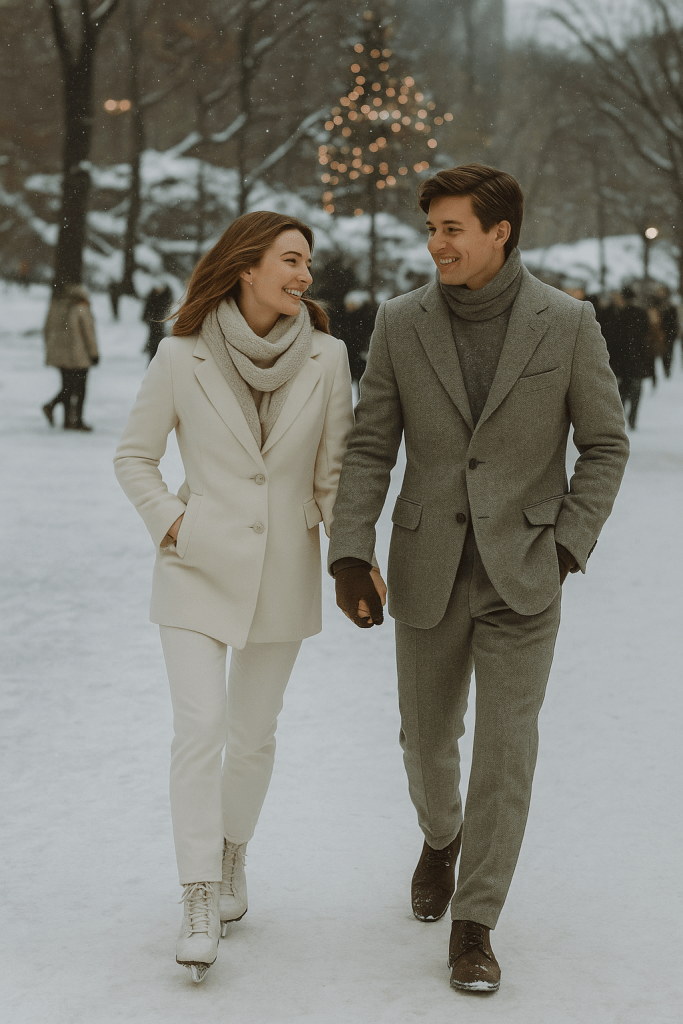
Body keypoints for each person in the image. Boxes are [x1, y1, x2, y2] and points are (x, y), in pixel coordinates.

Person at [328, 164, 629, 994]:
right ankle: (439, 834)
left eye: (452, 228)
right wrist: (350, 550)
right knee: (426, 746)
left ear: (500, 232)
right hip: (425, 568)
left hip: (525, 575)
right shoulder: (398, 322)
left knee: (506, 751)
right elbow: (369, 446)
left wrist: (568, 542)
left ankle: (475, 923)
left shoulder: (566, 323)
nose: (436, 244)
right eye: (431, 229)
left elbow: (604, 442)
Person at [114, 211, 382, 983]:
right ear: (246, 268)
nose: (304, 275)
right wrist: (174, 526)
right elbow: (134, 456)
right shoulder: (180, 354)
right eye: (290, 261)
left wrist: (351, 563)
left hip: (284, 573)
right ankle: (198, 892)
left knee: (253, 734)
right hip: (194, 569)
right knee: (198, 729)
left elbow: (332, 473)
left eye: (307, 263)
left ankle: (232, 854)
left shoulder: (328, 358)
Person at [42, 283, 99, 431]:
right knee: (80, 389)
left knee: (67, 387)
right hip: (79, 355)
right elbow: (88, 333)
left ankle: (67, 420)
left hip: (60, 355)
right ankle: (77, 421)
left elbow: (46, 329)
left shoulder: (56, 306)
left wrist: (51, 349)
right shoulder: (81, 307)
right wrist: (94, 353)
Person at [614, 286, 651, 429]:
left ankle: (621, 418)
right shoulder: (642, 313)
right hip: (638, 357)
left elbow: (615, 339)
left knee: (622, 390)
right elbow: (645, 335)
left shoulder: (620, 314)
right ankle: (633, 417)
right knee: (636, 390)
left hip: (623, 358)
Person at [652, 284, 679, 378]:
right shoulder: (655, 303)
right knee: (662, 351)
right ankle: (659, 371)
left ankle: (667, 369)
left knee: (668, 352)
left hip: (668, 332)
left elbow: (674, 320)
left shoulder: (670, 305)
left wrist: (674, 332)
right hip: (658, 332)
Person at [142, 282, 174, 362]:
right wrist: (145, 317)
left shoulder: (167, 295)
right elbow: (147, 307)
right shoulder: (152, 295)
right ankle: (152, 358)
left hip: (162, 321)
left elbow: (169, 307)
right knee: (153, 339)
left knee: (160, 340)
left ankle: (158, 358)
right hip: (153, 321)